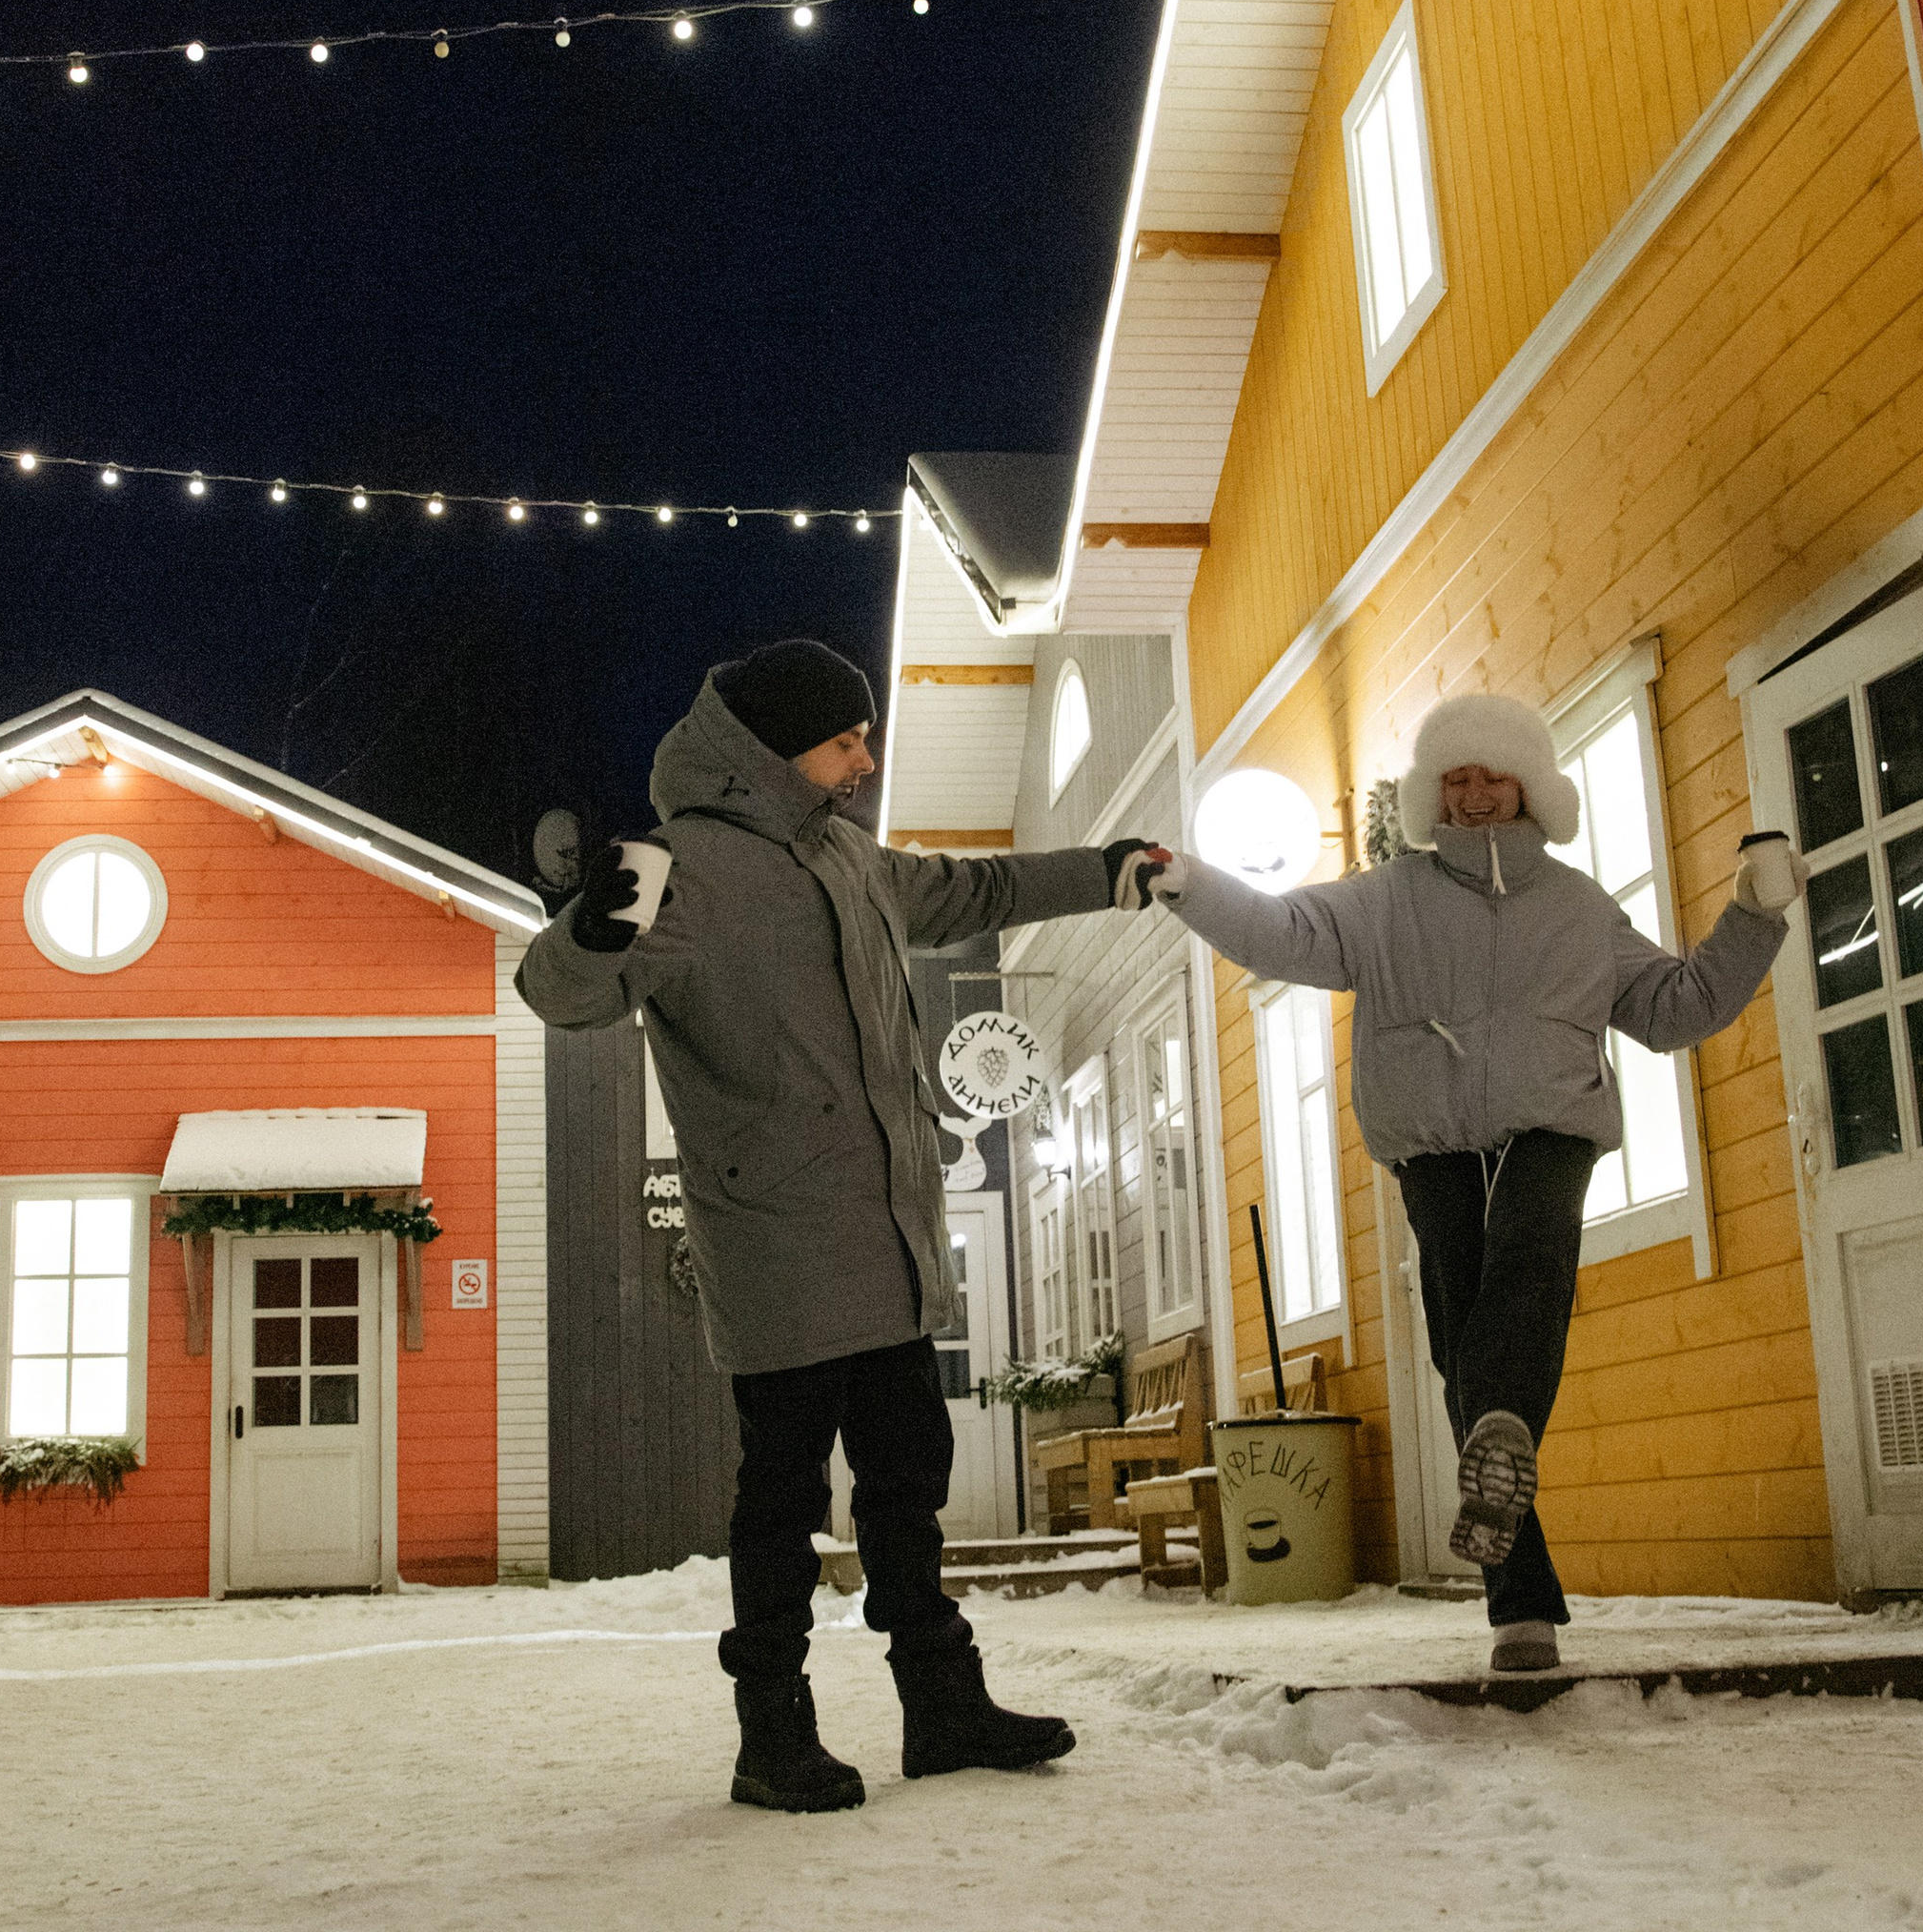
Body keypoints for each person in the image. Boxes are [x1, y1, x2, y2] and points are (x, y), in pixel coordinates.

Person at [516, 639, 1165, 1810]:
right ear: (773, 748)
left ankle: (943, 1704)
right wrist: (596, 924)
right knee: (783, 1494)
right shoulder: (678, 867)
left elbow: (975, 893)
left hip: (885, 1226)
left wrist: (1105, 867)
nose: (865, 758)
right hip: (774, 1234)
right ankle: (773, 1731)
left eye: (864, 735)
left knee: (907, 1476)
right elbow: (561, 993)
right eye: (845, 738)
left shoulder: (849, 858)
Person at [1144, 690, 1806, 1674]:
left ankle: (1504, 1500)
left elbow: (1675, 1008)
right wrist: (1189, 882)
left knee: (1528, 1273)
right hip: (1435, 1142)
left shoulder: (1580, 906)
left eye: (1493, 773)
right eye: (1455, 777)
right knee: (1463, 1343)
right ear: (1430, 796)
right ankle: (1521, 1597)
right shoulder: (1382, 900)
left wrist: (1753, 913)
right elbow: (1280, 931)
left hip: (1550, 1128)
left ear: (1528, 785)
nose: (1475, 791)